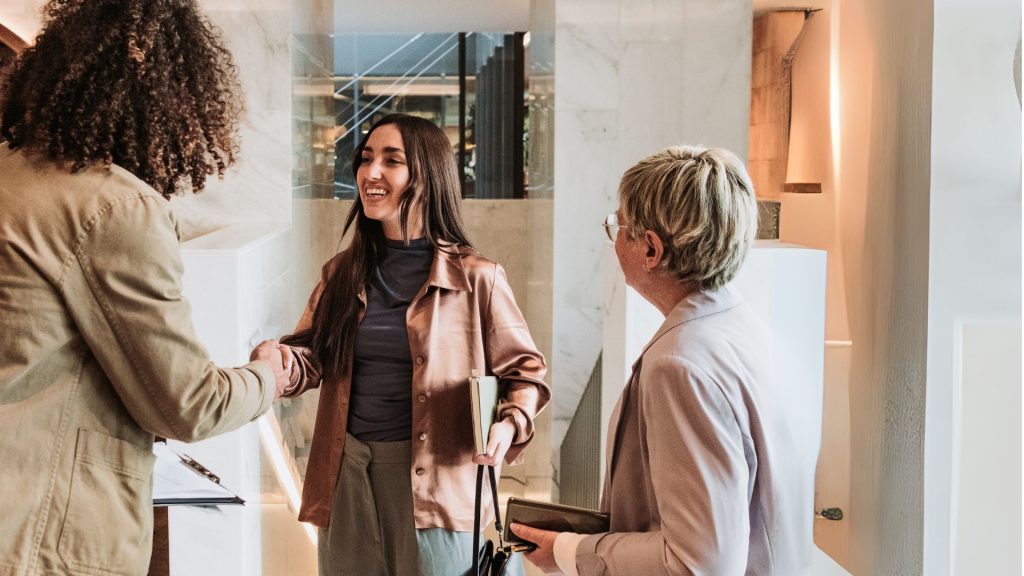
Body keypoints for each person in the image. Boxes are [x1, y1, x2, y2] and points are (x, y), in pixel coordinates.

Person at [0, 1, 289, 574]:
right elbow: (190, 406)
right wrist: (269, 377)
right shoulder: (114, 207)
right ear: (172, 100)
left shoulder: (10, 175)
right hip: (41, 533)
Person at [266, 112, 550, 576]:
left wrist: (508, 423)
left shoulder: (477, 278)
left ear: (427, 174)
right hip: (346, 473)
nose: (369, 172)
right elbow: (310, 358)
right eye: (365, 158)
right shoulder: (341, 272)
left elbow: (526, 373)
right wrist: (277, 363)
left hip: (440, 484)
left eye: (391, 161)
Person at [514, 146, 818, 575]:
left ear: (651, 249)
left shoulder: (681, 366)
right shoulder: (746, 329)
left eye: (618, 224)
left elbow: (698, 563)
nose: (614, 236)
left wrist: (569, 550)